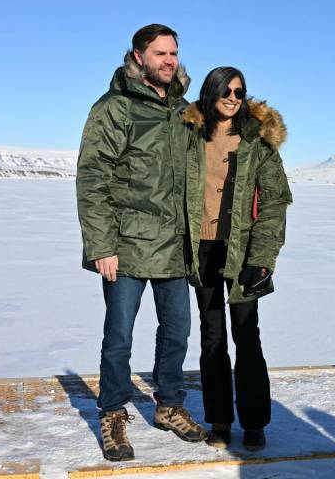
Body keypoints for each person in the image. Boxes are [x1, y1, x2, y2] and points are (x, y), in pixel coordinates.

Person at [76, 24, 207, 462]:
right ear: (138, 56)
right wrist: (101, 245)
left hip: (173, 245)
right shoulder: (115, 108)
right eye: (160, 53)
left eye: (174, 53)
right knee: (119, 337)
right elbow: (94, 177)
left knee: (177, 333)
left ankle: (169, 405)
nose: (169, 60)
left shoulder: (184, 111)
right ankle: (112, 412)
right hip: (126, 246)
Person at [182, 66, 292, 451]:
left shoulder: (256, 141)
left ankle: (254, 421)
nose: (232, 97)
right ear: (210, 93)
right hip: (202, 251)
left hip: (242, 251)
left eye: (239, 92)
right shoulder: (189, 137)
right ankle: (220, 421)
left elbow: (275, 202)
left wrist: (261, 259)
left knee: (247, 335)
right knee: (212, 338)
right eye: (225, 91)